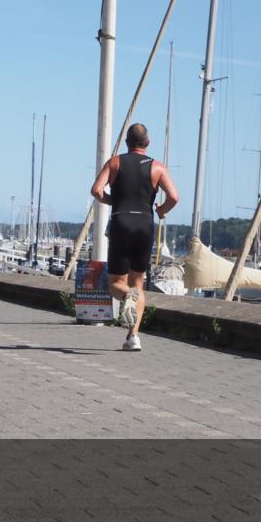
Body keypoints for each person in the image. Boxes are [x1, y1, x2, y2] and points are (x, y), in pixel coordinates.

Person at [90, 123, 179, 351]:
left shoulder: (115, 162)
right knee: (137, 283)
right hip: (144, 225)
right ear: (147, 143)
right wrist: (162, 210)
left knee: (115, 285)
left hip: (121, 222)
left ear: (127, 143)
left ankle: (128, 296)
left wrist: (112, 201)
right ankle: (133, 337)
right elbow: (174, 197)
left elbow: (96, 190)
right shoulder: (157, 167)